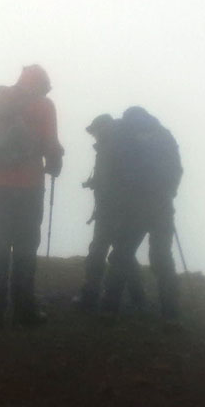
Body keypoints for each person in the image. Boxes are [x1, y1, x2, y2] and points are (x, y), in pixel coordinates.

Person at [0, 65, 64, 327]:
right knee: (25, 249)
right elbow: (51, 145)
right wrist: (55, 163)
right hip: (29, 187)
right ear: (42, 83)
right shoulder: (44, 105)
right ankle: (24, 311)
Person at [100, 107, 182, 325]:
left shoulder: (122, 135)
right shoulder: (163, 135)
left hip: (132, 207)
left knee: (121, 255)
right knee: (162, 258)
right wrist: (168, 193)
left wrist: (118, 200)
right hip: (161, 206)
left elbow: (113, 171)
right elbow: (176, 169)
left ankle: (109, 309)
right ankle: (170, 314)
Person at [73, 114, 145, 311]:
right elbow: (117, 178)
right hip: (121, 209)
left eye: (94, 132)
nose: (93, 136)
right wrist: (94, 183)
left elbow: (113, 180)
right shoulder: (119, 146)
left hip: (111, 210)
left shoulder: (110, 147)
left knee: (98, 252)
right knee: (123, 253)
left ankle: (90, 296)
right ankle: (138, 297)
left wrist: (100, 188)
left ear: (102, 129)